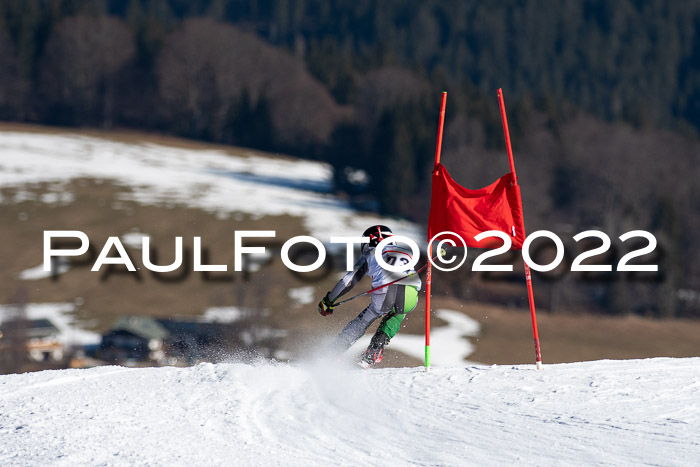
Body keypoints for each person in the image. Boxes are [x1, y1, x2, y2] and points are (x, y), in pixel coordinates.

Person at [317, 225, 421, 368]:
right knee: (397, 314)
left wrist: (328, 300)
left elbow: (348, 281)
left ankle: (334, 352)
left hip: (385, 292)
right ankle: (376, 349)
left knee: (365, 319)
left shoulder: (371, 254)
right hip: (411, 292)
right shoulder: (406, 252)